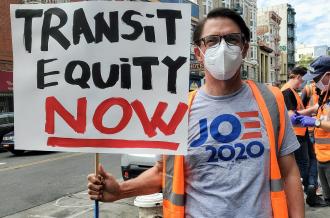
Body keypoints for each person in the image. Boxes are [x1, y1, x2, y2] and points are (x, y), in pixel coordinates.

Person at [87, 8, 304, 218]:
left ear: (245, 48)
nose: (222, 48)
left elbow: (290, 172)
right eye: (212, 41)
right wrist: (120, 191)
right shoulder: (178, 110)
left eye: (232, 39)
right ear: (198, 53)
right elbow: (164, 173)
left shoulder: (270, 99)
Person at [281, 67, 327, 207]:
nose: (302, 83)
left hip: (302, 132)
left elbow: (296, 113)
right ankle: (309, 189)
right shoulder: (287, 91)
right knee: (304, 164)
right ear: (295, 76)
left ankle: (311, 186)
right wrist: (312, 111)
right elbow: (291, 116)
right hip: (297, 134)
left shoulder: (293, 91)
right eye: (301, 79)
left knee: (311, 160)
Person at [296, 55, 330, 206]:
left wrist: (315, 122)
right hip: (322, 155)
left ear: (328, 75)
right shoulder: (326, 93)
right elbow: (318, 107)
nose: (314, 82)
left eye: (317, 78)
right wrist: (299, 115)